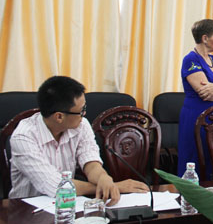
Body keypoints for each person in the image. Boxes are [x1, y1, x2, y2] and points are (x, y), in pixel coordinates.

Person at [9, 76, 148, 204]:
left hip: (66, 206)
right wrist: (116, 187)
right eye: (81, 111)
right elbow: (55, 186)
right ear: (59, 117)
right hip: (25, 210)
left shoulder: (81, 126)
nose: (84, 114)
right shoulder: (23, 137)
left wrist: (103, 178)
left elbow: (90, 162)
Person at [177, 19, 213, 177]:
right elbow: (207, 94)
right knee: (195, 159)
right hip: (197, 117)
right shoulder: (190, 59)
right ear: (204, 38)